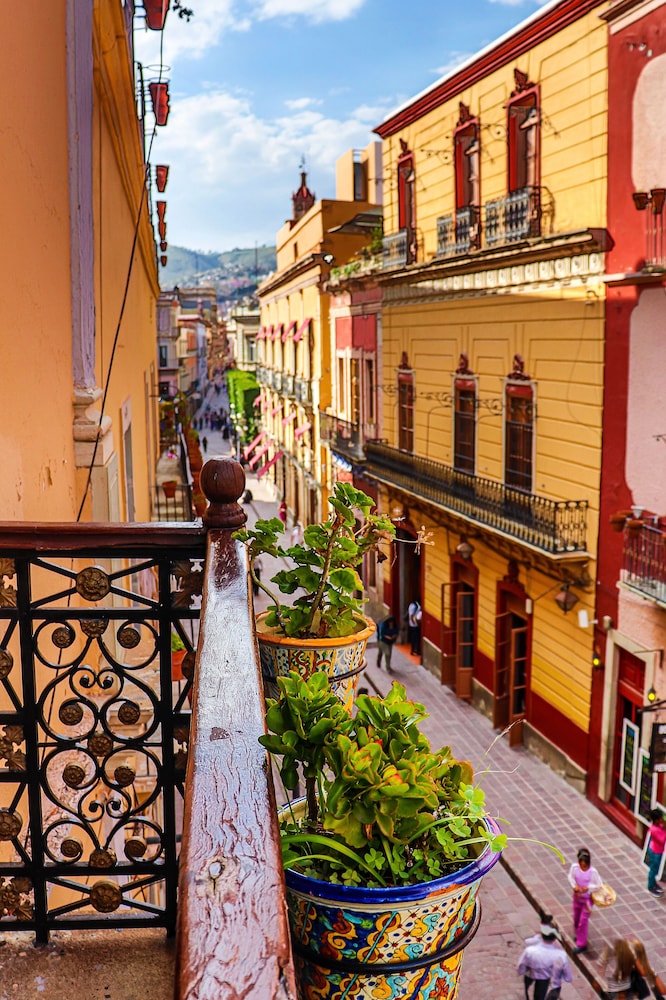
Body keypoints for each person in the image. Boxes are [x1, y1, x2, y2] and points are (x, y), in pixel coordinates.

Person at [517, 923, 571, 1000]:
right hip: (545, 978)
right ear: (555, 938)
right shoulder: (560, 954)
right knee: (541, 994)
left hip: (531, 974)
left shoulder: (530, 950)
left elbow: (522, 964)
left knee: (528, 991)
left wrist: (521, 971)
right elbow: (567, 975)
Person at [568, 846, 603, 954]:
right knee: (576, 918)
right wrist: (574, 886)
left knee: (583, 921)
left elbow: (599, 885)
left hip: (587, 900)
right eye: (582, 866)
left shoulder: (593, 872)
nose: (583, 868)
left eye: (585, 866)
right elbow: (570, 877)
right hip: (577, 897)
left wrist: (588, 888)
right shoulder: (574, 868)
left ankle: (581, 943)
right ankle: (578, 934)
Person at [645, 808, 666, 897]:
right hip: (655, 852)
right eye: (660, 818)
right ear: (656, 820)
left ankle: (654, 883)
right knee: (653, 870)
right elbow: (662, 840)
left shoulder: (659, 826)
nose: (662, 820)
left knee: (656, 869)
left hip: (659, 851)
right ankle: (650, 886)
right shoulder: (653, 829)